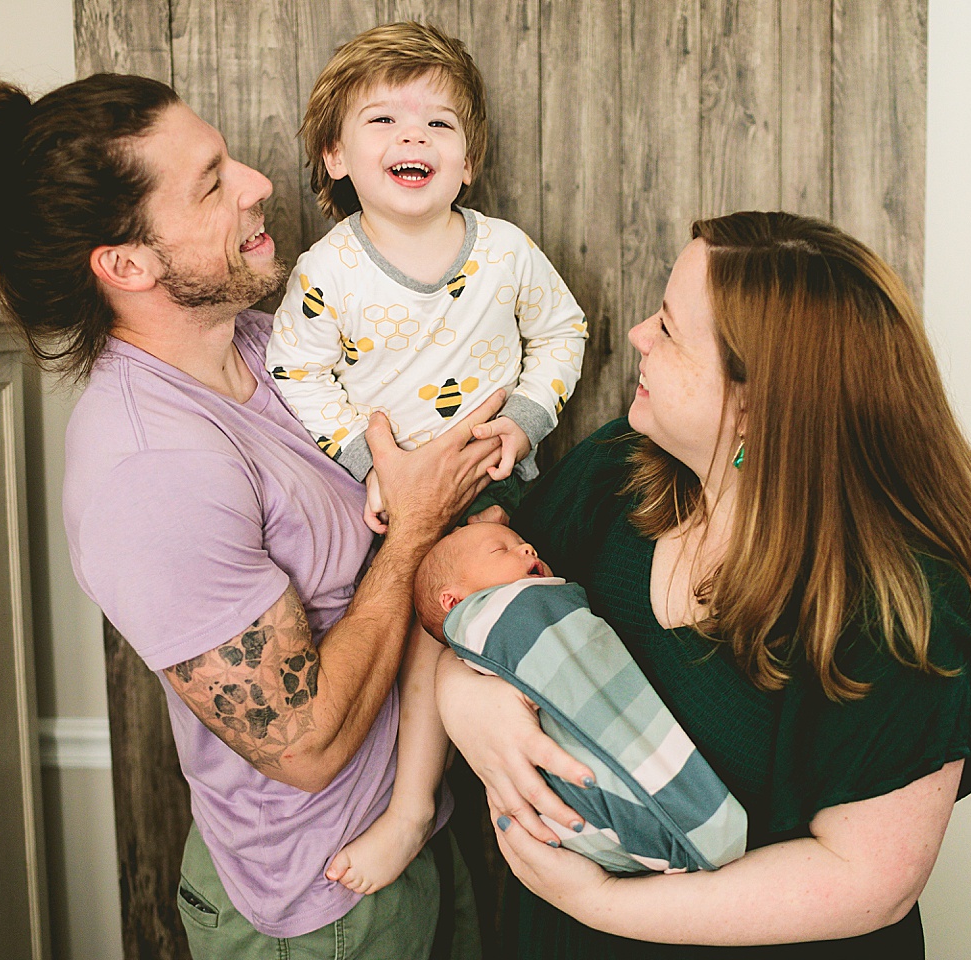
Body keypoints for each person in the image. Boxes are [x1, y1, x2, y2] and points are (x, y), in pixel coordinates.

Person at [0, 72, 495, 959]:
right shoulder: (150, 471)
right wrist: (417, 525)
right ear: (127, 264)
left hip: (411, 832)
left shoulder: (272, 348)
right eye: (211, 181)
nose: (258, 181)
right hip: (322, 902)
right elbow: (301, 745)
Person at [435, 212, 971, 958]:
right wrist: (464, 700)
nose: (641, 335)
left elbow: (870, 878)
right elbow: (465, 603)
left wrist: (604, 903)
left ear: (754, 403)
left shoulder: (901, 611)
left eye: (672, 330)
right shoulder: (615, 474)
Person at [269, 21, 587, 898]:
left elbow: (562, 331)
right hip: (390, 508)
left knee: (519, 628)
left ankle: (570, 799)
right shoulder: (327, 271)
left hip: (494, 500)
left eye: (439, 125)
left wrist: (525, 418)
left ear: (469, 160)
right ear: (335, 157)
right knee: (417, 639)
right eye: (383, 122)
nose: (413, 138)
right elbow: (296, 369)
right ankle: (412, 809)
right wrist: (366, 461)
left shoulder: (505, 253)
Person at [414, 521, 748, 876]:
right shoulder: (499, 618)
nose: (528, 549)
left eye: (524, 542)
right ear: (454, 602)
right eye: (501, 550)